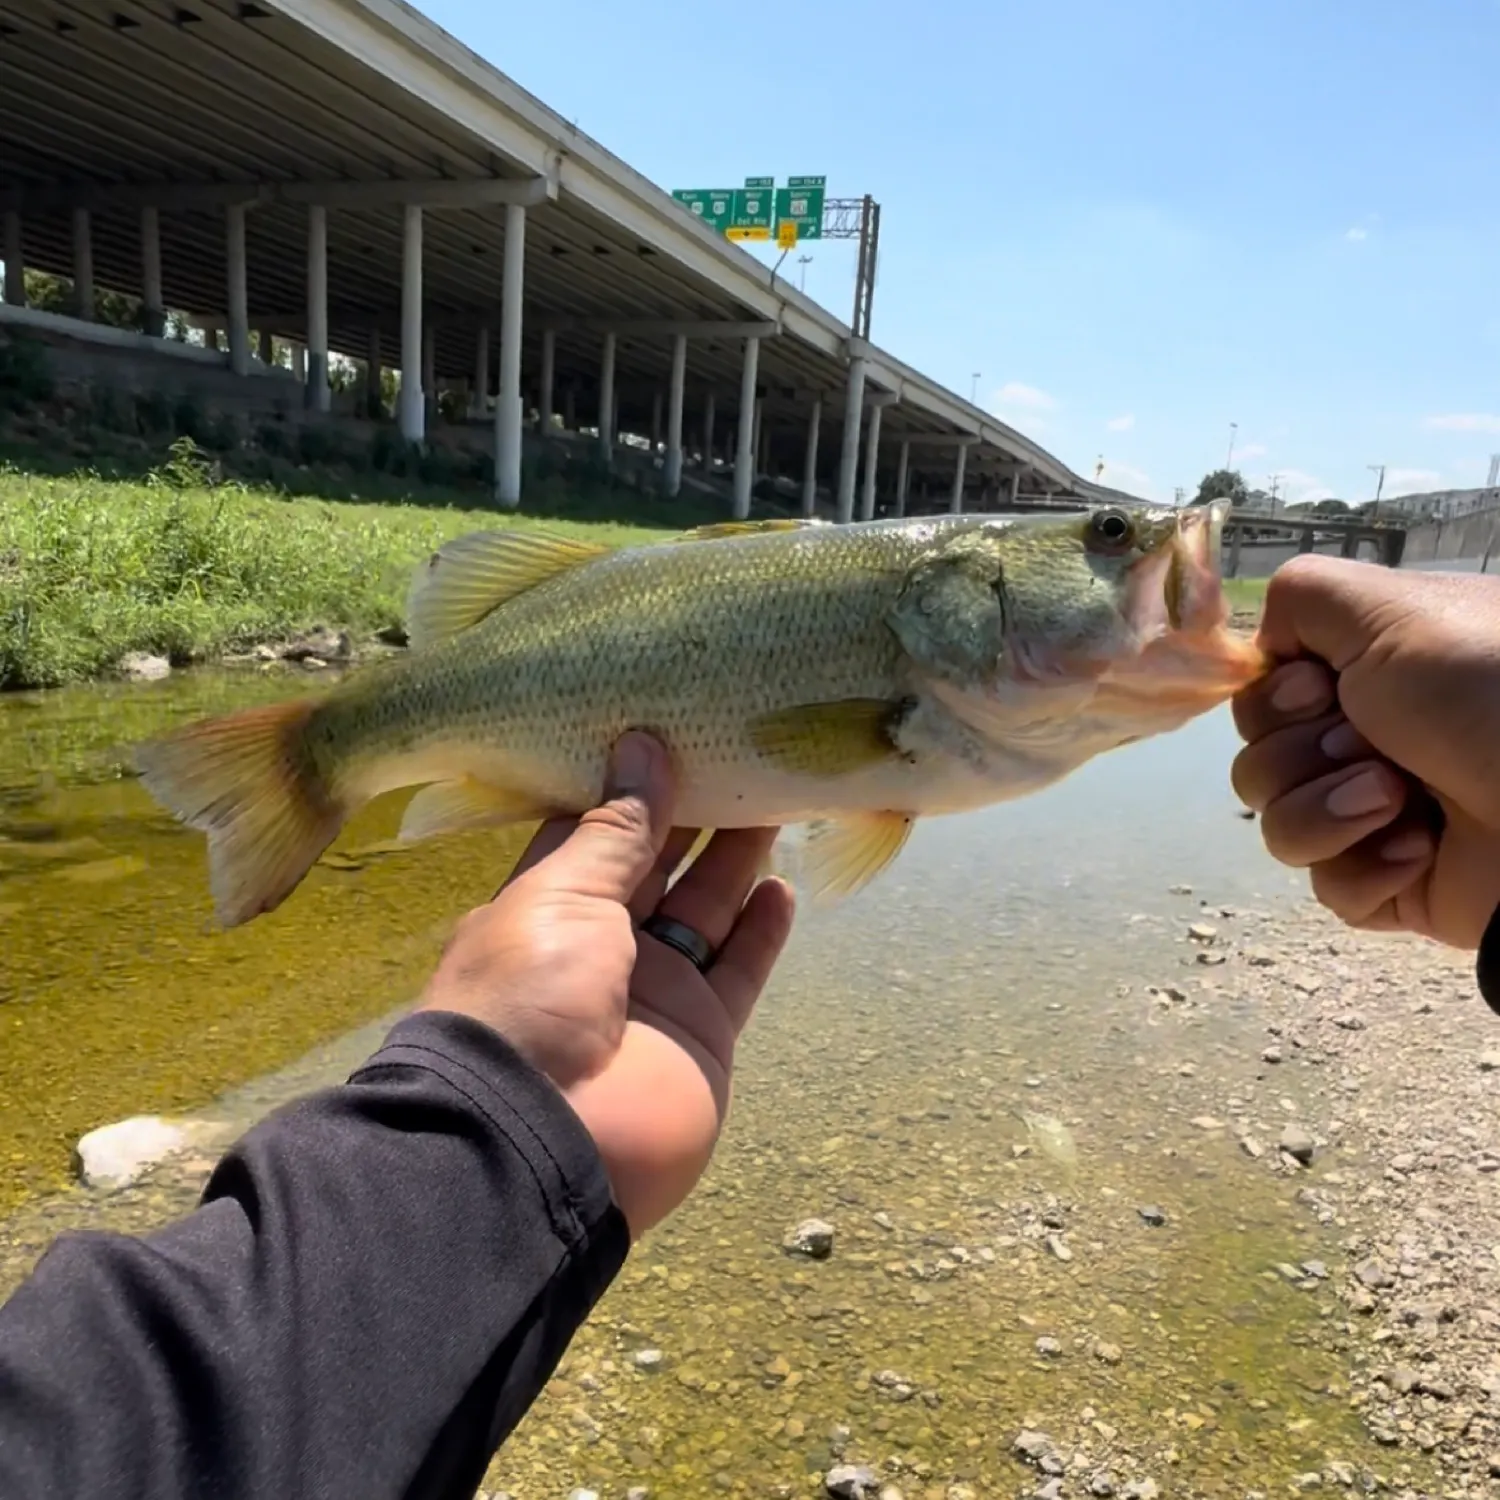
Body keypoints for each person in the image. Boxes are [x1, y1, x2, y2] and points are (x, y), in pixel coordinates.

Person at [0, 551, 1496, 1499]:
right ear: (960, 598)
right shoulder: (927, 680)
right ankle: (313, 763)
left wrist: (491, 1120)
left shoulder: (960, 699)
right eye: (1105, 550)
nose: (1144, 570)